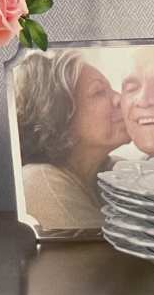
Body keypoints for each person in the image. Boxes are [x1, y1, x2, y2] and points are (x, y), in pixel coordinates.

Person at [16, 49, 129, 230]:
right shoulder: (39, 181)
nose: (120, 99)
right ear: (59, 115)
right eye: (99, 92)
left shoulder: (112, 171)